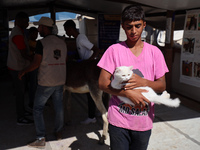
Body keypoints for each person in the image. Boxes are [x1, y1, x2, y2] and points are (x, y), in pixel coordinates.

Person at [97, 5, 169, 150]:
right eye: (129, 26)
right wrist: (127, 93)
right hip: (119, 120)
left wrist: (143, 82)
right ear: (123, 26)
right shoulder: (114, 50)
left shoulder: (155, 52)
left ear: (144, 24)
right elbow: (102, 83)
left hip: (144, 121)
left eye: (137, 26)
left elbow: (162, 85)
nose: (133, 31)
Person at [18, 16, 67, 148]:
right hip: (60, 79)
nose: (38, 29)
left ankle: (40, 138)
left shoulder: (42, 43)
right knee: (58, 107)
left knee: (37, 108)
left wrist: (24, 71)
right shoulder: (62, 42)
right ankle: (59, 132)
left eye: (40, 26)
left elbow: (36, 63)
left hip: (46, 81)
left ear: (44, 28)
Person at [63, 19, 100, 124]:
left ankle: (91, 116)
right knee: (90, 92)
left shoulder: (81, 38)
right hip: (85, 67)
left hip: (89, 68)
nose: (66, 33)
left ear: (71, 29)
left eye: (66, 30)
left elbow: (96, 50)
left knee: (91, 92)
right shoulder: (78, 39)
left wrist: (88, 61)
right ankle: (93, 114)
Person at [7, 11, 33, 125]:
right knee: (20, 92)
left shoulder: (20, 31)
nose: (27, 23)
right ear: (19, 21)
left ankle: (22, 111)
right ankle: (21, 118)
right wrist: (35, 61)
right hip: (16, 67)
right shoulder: (17, 34)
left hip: (18, 65)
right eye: (26, 21)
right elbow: (23, 53)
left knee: (22, 91)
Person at [27, 27, 39, 109]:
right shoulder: (28, 42)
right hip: (31, 65)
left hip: (36, 65)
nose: (36, 35)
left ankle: (36, 100)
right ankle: (31, 102)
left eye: (37, 34)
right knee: (32, 84)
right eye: (34, 34)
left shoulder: (36, 42)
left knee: (36, 84)